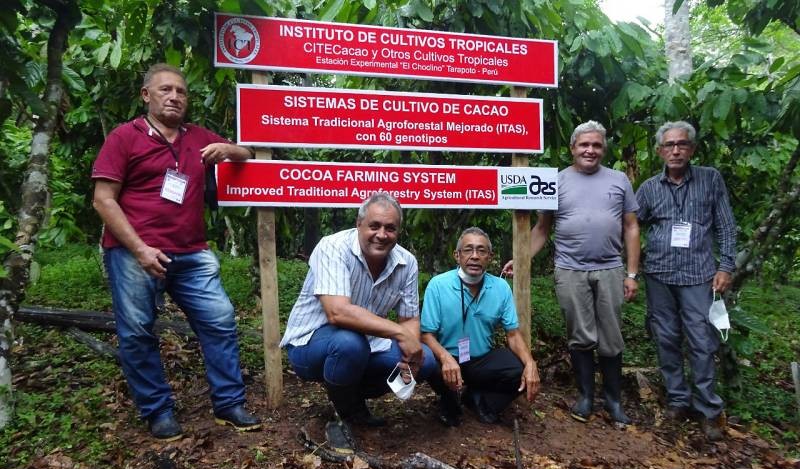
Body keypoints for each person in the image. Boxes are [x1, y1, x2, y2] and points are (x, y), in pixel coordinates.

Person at [92, 63, 260, 441]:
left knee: (219, 321)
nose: (174, 97)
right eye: (165, 90)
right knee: (137, 331)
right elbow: (103, 200)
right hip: (134, 252)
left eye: (181, 91)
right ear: (146, 95)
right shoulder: (124, 138)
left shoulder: (197, 137)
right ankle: (158, 410)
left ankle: (229, 403)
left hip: (192, 252)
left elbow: (247, 153)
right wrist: (139, 249)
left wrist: (228, 148)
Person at [503, 120, 640, 425]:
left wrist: (632, 274)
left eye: (596, 145)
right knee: (580, 336)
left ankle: (614, 401)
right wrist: (520, 258)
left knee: (611, 336)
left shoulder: (619, 180)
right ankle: (586, 398)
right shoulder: (557, 181)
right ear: (573, 148)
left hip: (610, 269)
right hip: (570, 269)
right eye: (584, 145)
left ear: (603, 149)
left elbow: (631, 227)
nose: (590, 150)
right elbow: (542, 229)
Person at [280, 193, 440, 444]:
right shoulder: (333, 247)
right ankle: (341, 415)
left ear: (398, 231)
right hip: (310, 344)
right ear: (359, 224)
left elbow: (409, 318)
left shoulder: (407, 262)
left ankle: (349, 396)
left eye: (390, 228)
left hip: (366, 345)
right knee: (349, 344)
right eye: (374, 226)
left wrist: (411, 351)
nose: (381, 234)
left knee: (426, 360)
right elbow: (337, 312)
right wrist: (400, 334)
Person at [636, 121, 736, 442]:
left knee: (701, 341)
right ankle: (677, 400)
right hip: (659, 275)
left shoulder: (710, 179)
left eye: (682, 144)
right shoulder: (650, 187)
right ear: (659, 151)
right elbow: (631, 226)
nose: (675, 150)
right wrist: (630, 265)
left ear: (692, 149)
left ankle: (708, 408)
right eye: (669, 145)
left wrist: (726, 266)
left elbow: (726, 226)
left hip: (698, 276)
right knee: (665, 338)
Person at [420, 227, 540, 426]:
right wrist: (445, 357)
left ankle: (480, 401)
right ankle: (448, 401)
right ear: (457, 255)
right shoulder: (438, 285)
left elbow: (512, 334)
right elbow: (426, 334)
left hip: (480, 361)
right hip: (446, 360)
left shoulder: (501, 288)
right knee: (427, 359)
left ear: (490, 257)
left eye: (481, 251)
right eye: (468, 250)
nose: (475, 256)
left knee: (519, 370)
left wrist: (530, 363)